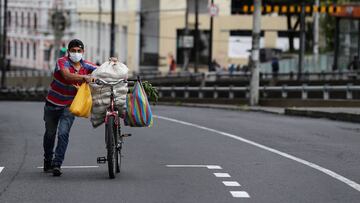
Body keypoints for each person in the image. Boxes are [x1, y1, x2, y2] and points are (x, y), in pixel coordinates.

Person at [43, 39, 97, 176]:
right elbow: (67, 76)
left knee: (63, 133)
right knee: (50, 134)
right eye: (73, 51)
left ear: (83, 52)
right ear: (68, 51)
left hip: (69, 106)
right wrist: (85, 77)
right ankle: (48, 160)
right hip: (52, 104)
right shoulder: (62, 62)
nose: (76, 53)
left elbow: (102, 70)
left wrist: (113, 63)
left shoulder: (87, 65)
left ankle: (57, 164)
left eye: (79, 51)